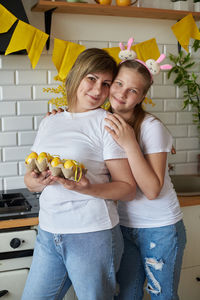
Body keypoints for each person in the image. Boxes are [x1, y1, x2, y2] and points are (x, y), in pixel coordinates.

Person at [22, 48, 136, 300]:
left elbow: (127, 188)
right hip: (50, 232)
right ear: (77, 75)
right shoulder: (50, 121)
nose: (98, 90)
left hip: (92, 234)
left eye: (106, 83)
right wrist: (34, 182)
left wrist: (86, 188)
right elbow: (30, 180)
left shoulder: (107, 123)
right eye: (92, 79)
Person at [104, 59, 186, 300]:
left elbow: (152, 190)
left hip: (159, 228)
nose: (121, 93)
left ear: (141, 97)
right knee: (127, 296)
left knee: (163, 296)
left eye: (133, 90)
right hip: (123, 226)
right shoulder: (102, 121)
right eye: (118, 84)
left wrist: (130, 143)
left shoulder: (151, 127)